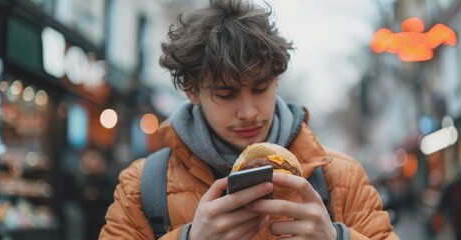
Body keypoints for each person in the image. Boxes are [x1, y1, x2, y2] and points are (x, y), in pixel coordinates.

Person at [100, 0, 398, 239]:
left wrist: (338, 238)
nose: (249, 112)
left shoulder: (341, 178)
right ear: (192, 90)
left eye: (260, 88)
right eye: (226, 94)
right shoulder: (141, 186)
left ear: (277, 80)